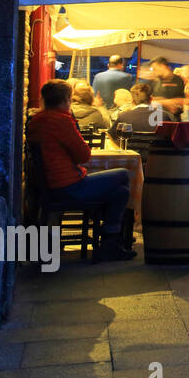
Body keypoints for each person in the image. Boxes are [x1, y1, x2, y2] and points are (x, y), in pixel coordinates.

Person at [26, 79, 135, 261]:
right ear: (66, 100)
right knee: (123, 175)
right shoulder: (61, 120)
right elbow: (84, 155)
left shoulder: (37, 120)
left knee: (120, 192)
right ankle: (110, 241)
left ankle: (110, 241)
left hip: (49, 186)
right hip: (68, 187)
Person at [147, 56, 185, 121]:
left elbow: (187, 101)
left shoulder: (180, 80)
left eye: (155, 69)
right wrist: (167, 102)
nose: (154, 71)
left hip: (174, 120)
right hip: (156, 119)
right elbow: (149, 101)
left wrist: (160, 101)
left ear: (162, 66)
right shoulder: (154, 82)